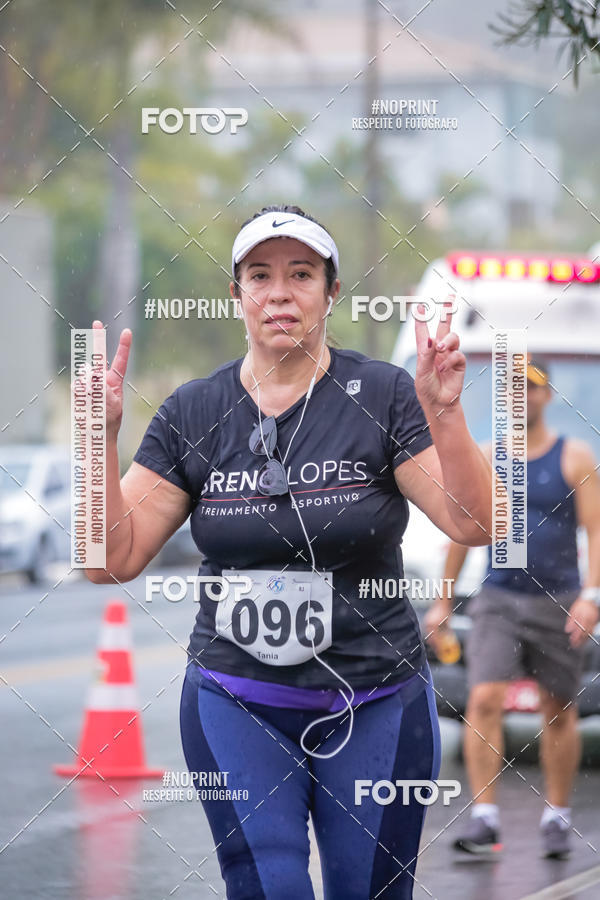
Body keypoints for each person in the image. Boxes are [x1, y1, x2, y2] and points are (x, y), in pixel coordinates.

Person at [86, 204, 493, 898]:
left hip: (376, 700)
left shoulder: (384, 394)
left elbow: (474, 523)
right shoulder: (192, 410)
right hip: (236, 699)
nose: (280, 292)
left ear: (331, 293)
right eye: (260, 275)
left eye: (301, 274)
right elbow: (107, 560)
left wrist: (446, 415)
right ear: (238, 293)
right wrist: (97, 434)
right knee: (269, 887)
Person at [425, 357, 600, 861]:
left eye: (531, 388)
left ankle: (558, 817)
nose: (521, 397)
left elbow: (595, 531)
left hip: (558, 600)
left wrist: (590, 599)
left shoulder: (575, 457)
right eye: (512, 391)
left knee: (559, 711)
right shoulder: (485, 457)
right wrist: (441, 601)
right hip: (497, 598)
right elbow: (461, 529)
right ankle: (485, 820)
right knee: (482, 701)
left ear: (546, 396)